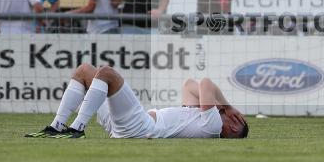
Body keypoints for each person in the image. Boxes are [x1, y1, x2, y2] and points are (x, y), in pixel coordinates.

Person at [24, 65, 249, 140]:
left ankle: (77, 128)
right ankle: (57, 127)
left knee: (107, 74)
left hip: (141, 128)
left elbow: (206, 83)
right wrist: (222, 107)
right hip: (126, 127)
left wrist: (227, 106)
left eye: (235, 119)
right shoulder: (201, 119)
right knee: (84, 71)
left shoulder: (213, 126)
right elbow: (191, 84)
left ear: (233, 125)